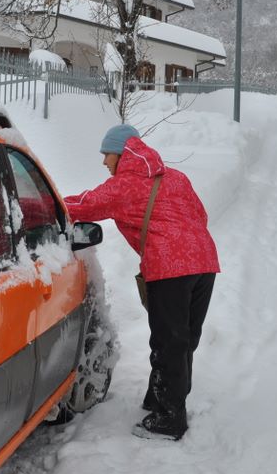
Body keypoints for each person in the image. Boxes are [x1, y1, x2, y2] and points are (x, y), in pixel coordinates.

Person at [64, 123, 220, 441]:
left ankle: (170, 419)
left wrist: (37, 205)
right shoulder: (176, 177)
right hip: (205, 263)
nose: (104, 162)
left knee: (168, 342)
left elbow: (81, 206)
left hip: (170, 268)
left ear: (121, 154)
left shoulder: (125, 186)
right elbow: (200, 216)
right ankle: (161, 398)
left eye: (107, 154)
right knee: (184, 339)